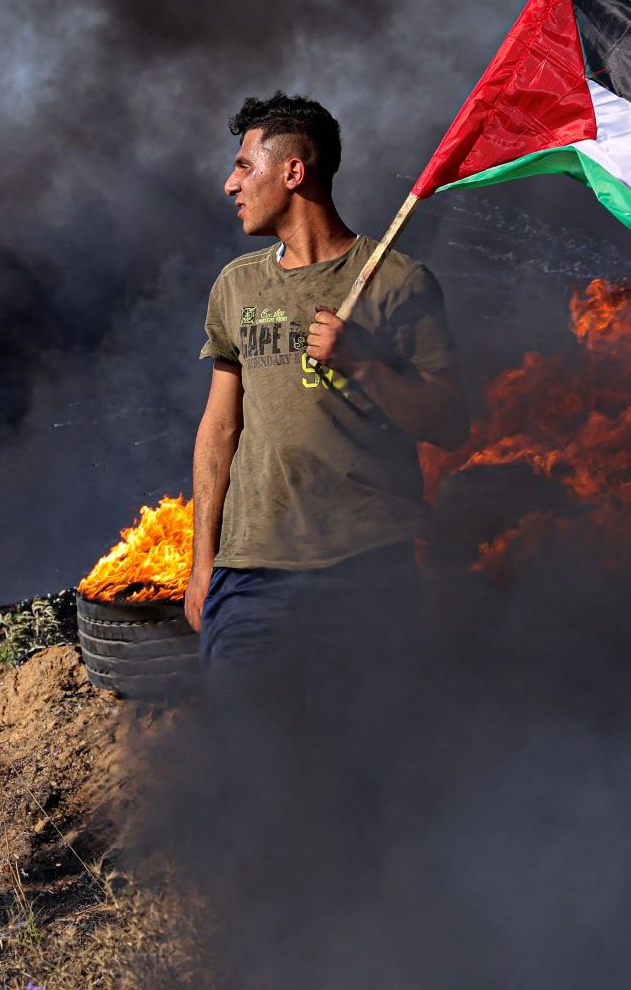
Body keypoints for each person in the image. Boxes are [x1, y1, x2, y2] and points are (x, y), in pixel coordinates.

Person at [186, 94, 466, 675]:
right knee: (247, 755)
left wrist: (364, 363)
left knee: (362, 762)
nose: (229, 184)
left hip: (368, 572)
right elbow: (219, 427)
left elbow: (449, 423)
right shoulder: (236, 286)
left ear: (293, 172)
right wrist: (203, 563)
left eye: (243, 166)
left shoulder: (397, 281)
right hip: (250, 578)